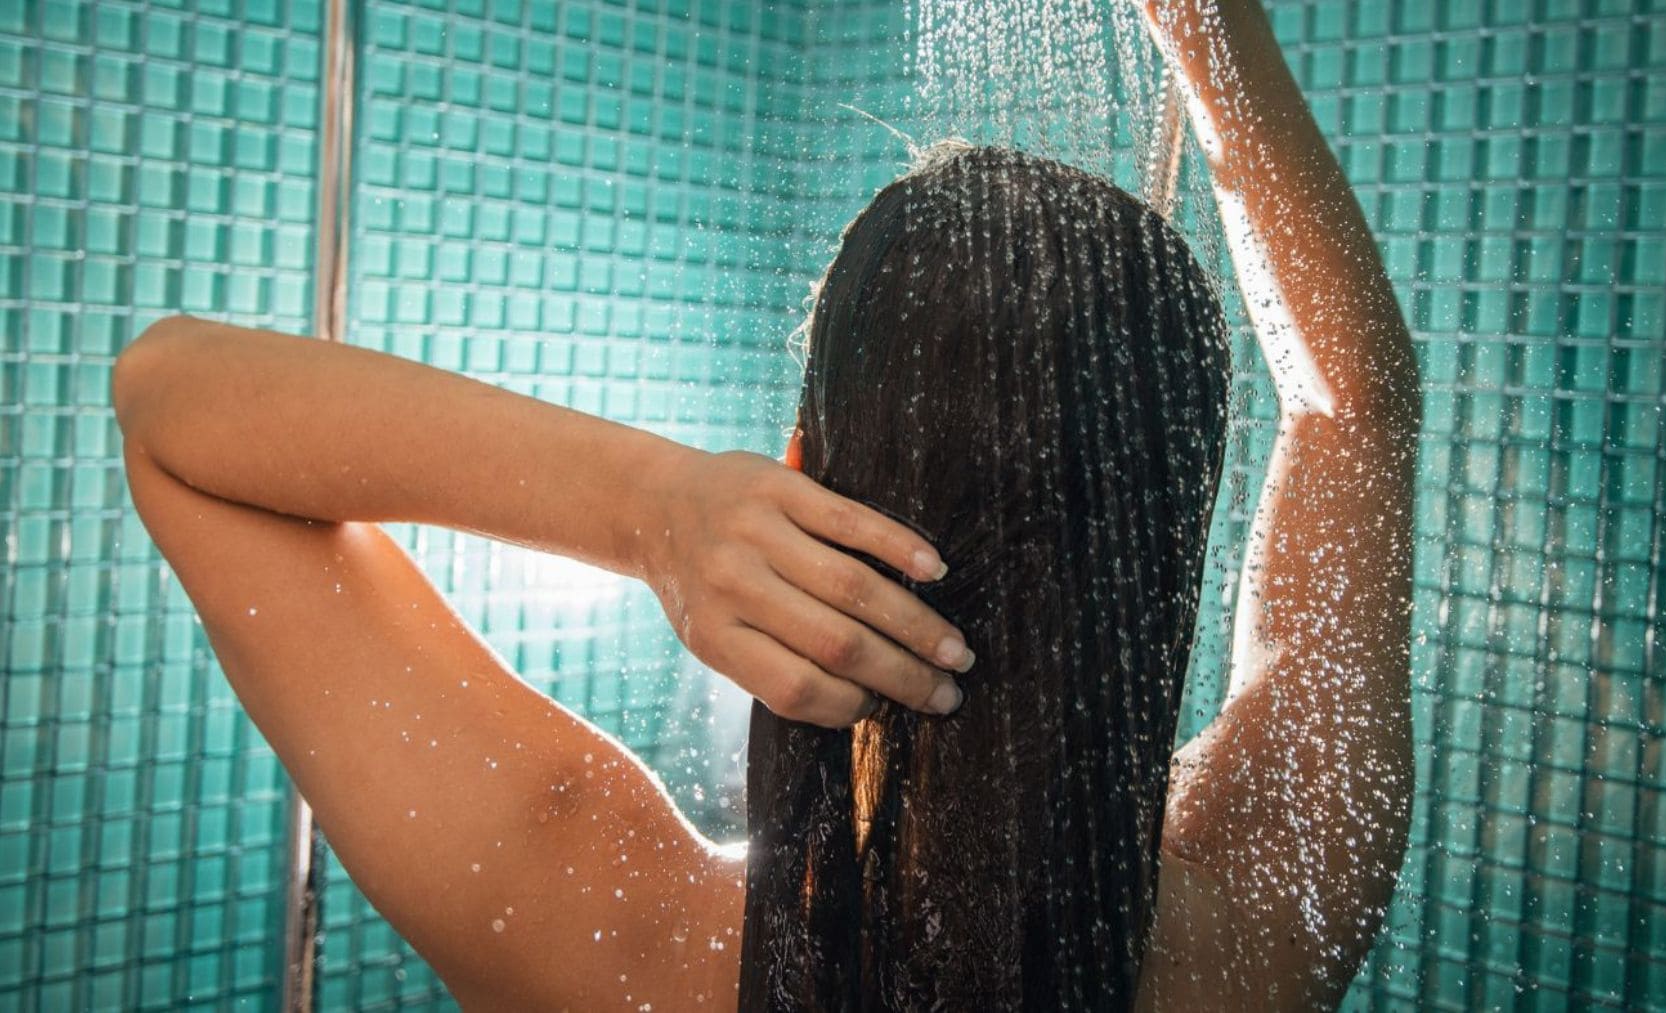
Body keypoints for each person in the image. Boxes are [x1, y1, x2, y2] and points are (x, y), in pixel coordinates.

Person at [109, 0, 1420, 1009]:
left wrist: (654, 507)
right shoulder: (1273, 897)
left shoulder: (610, 925)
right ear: (1170, 547)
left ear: (799, 469)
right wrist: (1204, 20)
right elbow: (1353, 407)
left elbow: (167, 403)